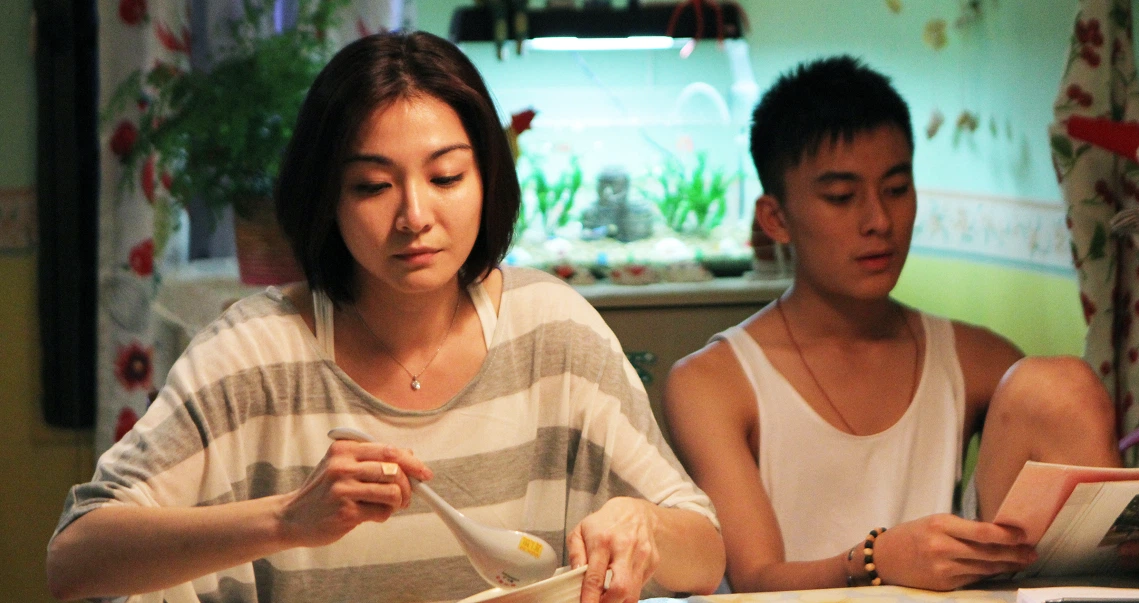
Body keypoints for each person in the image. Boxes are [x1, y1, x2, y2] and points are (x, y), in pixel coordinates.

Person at [47, 31, 725, 603]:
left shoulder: (553, 329)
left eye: (447, 177)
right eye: (372, 185)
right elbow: (74, 558)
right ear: (327, 197)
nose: (415, 216)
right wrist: (287, 517)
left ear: (487, 180)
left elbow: (706, 556)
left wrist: (646, 525)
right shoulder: (253, 352)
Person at [662, 55, 1123, 593]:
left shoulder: (976, 359)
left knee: (1060, 386)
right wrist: (876, 559)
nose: (878, 221)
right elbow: (756, 580)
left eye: (897, 189)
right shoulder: (713, 382)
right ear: (776, 219)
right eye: (841, 197)